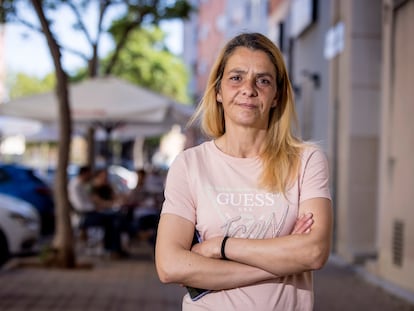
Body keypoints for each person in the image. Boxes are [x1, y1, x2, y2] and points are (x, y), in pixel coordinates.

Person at [155, 32, 333, 310]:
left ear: (276, 96)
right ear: (218, 91)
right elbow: (170, 265)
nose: (248, 89)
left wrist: (220, 247)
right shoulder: (189, 165)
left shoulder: (306, 160)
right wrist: (284, 259)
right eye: (236, 78)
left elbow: (314, 251)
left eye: (263, 80)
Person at [68, 166, 128, 258]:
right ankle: (113, 249)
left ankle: (113, 249)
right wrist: (95, 207)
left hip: (90, 212)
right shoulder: (77, 185)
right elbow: (81, 206)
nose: (90, 176)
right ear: (84, 174)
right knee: (113, 220)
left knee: (114, 219)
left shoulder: (81, 184)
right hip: (84, 216)